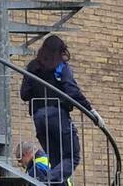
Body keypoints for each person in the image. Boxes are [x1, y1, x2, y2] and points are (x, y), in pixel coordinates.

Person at [21, 35, 102, 184]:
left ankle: (53, 182)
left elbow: (24, 94)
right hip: (57, 115)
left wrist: (39, 90)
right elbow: (72, 91)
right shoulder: (60, 66)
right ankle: (47, 181)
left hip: (38, 117)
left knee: (56, 161)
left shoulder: (32, 66)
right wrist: (90, 110)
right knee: (72, 157)